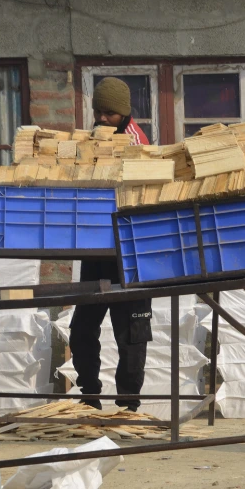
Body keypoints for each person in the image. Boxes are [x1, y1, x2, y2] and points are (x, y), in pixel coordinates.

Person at [70, 77, 153, 412]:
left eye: (110, 114)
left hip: (130, 252)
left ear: (124, 113)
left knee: (131, 334)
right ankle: (90, 397)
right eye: (99, 112)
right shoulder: (91, 138)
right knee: (82, 329)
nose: (103, 119)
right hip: (95, 250)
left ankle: (128, 406)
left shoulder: (136, 142)